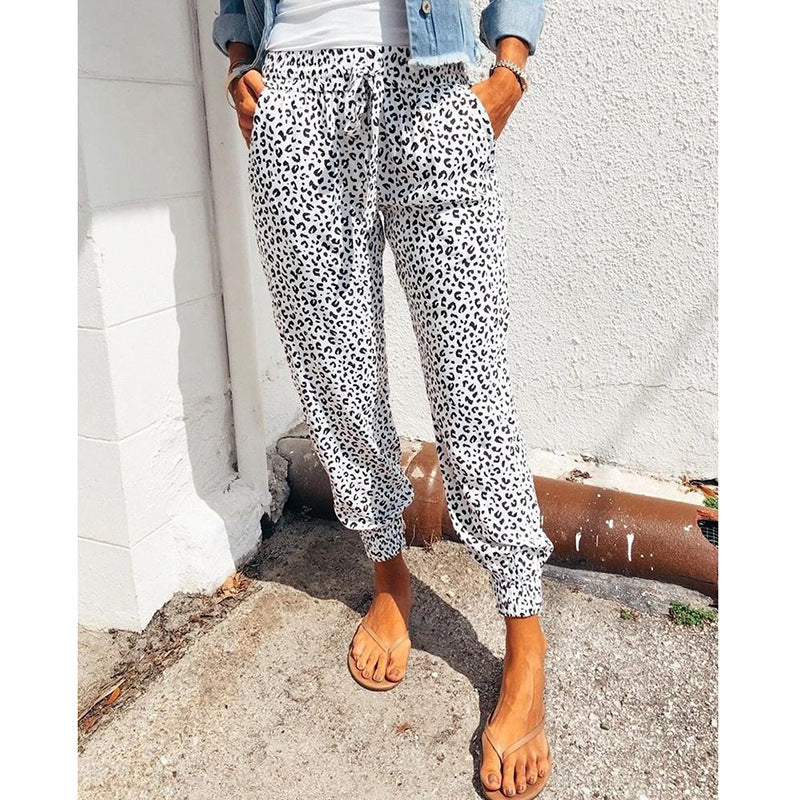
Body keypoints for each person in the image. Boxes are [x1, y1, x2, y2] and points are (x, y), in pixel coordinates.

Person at [213, 1, 554, 796]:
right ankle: (388, 577)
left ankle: (525, 639)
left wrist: (510, 69)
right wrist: (238, 61)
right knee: (337, 379)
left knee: (473, 383)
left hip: (428, 90)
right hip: (295, 98)